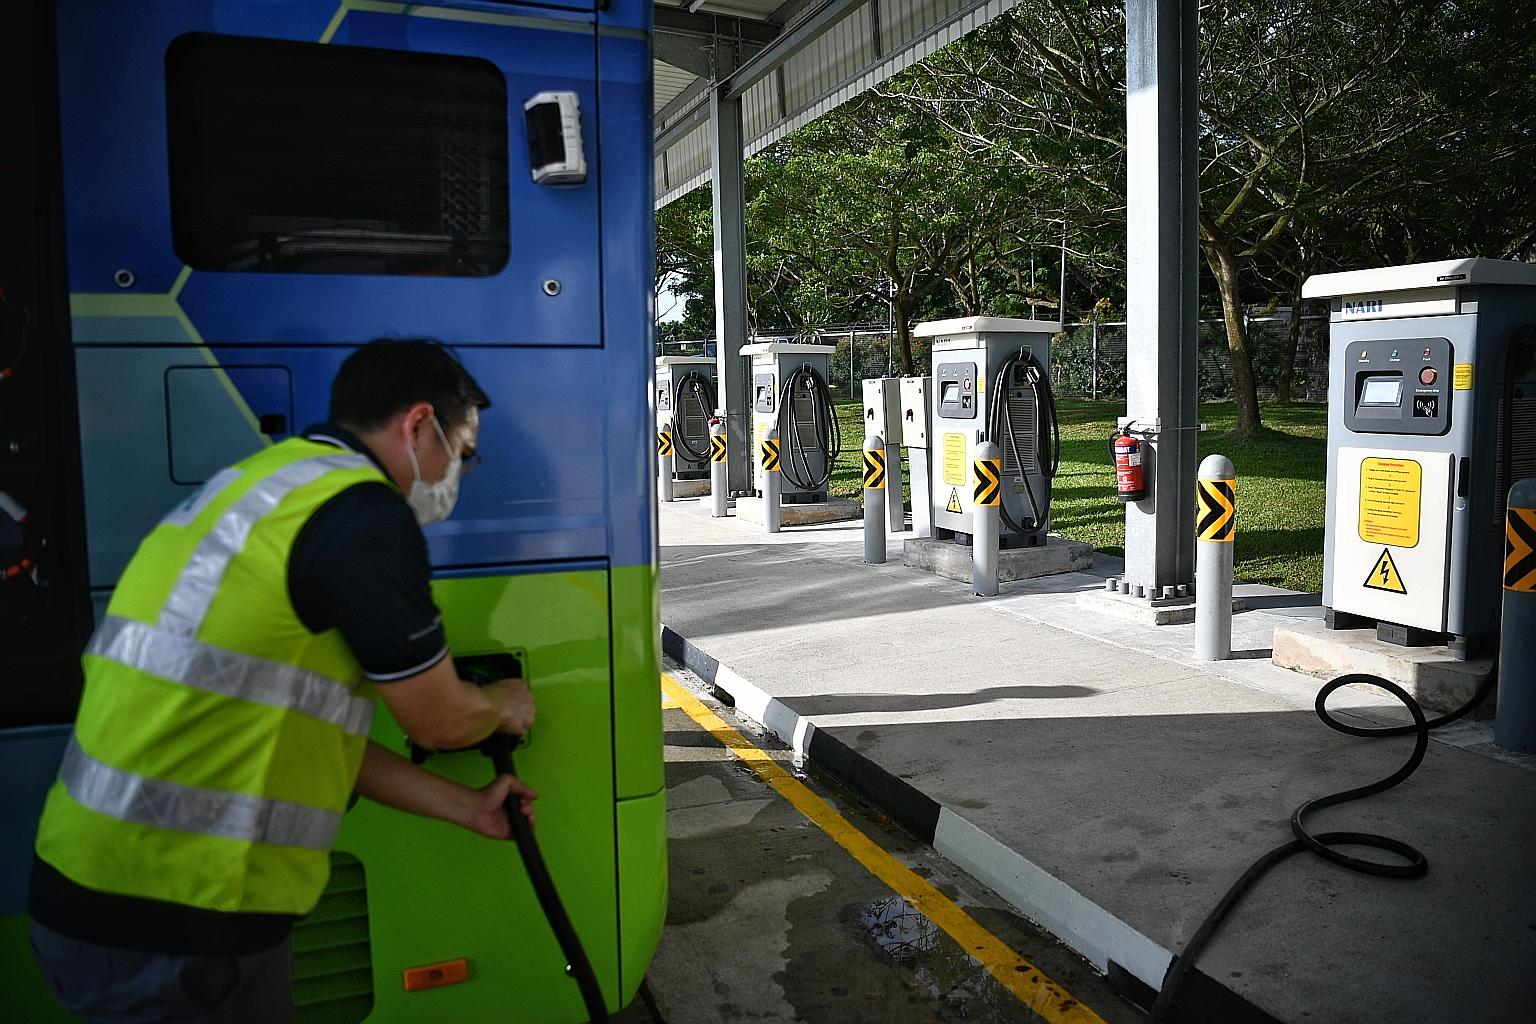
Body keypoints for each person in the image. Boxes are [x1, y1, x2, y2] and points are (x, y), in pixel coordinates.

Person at [27, 339, 535, 1023]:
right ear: (417, 426)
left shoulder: (261, 487)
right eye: (462, 453)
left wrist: (467, 807)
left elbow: (305, 733)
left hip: (91, 894)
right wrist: (498, 705)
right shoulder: (363, 515)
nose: (457, 474)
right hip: (183, 921)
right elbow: (440, 721)